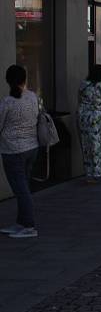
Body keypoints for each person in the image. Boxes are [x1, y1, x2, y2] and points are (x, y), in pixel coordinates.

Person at [0, 65, 40, 239]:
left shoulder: (7, 102)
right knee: (24, 186)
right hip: (32, 147)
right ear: (25, 79)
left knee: (20, 188)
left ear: (8, 81)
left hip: (13, 150)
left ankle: (29, 225)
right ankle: (21, 222)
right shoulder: (32, 97)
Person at [78, 64, 101, 184]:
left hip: (83, 117)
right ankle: (97, 172)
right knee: (97, 143)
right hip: (96, 118)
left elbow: (80, 99)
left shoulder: (83, 84)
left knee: (86, 144)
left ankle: (89, 173)